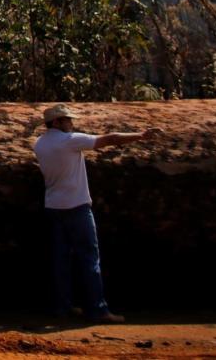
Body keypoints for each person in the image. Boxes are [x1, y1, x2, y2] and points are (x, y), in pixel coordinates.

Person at [30, 103, 163, 324]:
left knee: (61, 261)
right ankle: (98, 309)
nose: (71, 123)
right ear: (56, 122)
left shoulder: (40, 144)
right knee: (89, 258)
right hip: (77, 206)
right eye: (67, 120)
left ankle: (62, 307)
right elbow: (109, 139)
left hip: (54, 206)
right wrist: (141, 135)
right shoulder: (69, 141)